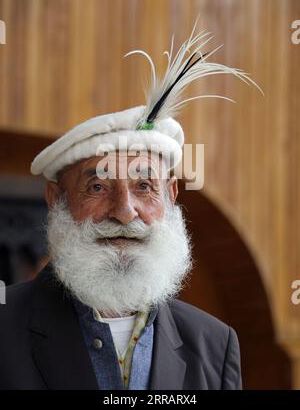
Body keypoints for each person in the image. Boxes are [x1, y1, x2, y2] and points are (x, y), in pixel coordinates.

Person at [0, 24, 247, 390]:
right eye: (97, 186)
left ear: (171, 196)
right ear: (56, 199)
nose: (125, 211)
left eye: (144, 186)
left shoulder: (214, 344)